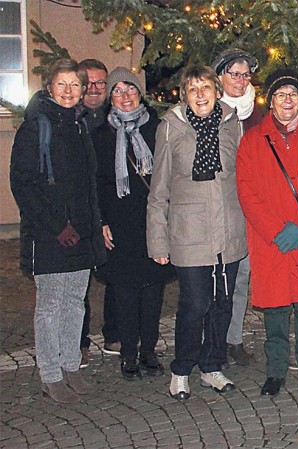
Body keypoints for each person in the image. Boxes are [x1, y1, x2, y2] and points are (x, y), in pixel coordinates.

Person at [147, 65, 247, 400]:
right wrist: (157, 239)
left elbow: (244, 181)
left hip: (228, 231)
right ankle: (181, 368)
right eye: (193, 89)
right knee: (195, 303)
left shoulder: (233, 125)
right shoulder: (170, 128)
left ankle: (211, 365)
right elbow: (158, 190)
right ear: (184, 96)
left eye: (206, 87)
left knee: (222, 302)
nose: (200, 94)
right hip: (188, 233)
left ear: (217, 91)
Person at [10, 59, 106, 403]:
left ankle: (71, 366)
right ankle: (50, 373)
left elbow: (88, 182)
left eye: (75, 85)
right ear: (50, 87)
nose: (69, 91)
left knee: (75, 302)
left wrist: (92, 225)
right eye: (62, 85)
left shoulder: (80, 126)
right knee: (50, 305)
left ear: (83, 90)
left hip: (80, 231)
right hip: (49, 235)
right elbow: (23, 184)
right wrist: (56, 226)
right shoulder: (36, 127)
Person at [236, 69, 298, 397]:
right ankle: (275, 370)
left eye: (292, 94)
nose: (287, 101)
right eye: (280, 95)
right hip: (270, 241)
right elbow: (246, 191)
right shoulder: (252, 140)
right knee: (274, 313)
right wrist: (276, 231)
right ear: (270, 101)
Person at [92, 67, 173, 380]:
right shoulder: (100, 134)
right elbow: (96, 182)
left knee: (153, 289)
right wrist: (101, 221)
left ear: (141, 94)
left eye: (130, 89)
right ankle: (128, 353)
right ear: (110, 98)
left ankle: (149, 350)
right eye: (118, 91)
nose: (125, 96)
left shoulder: (158, 128)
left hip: (152, 220)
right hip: (118, 223)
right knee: (124, 290)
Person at [212, 48, 260, 367]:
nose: (241, 80)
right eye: (234, 74)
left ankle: (234, 339)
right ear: (220, 77)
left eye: (245, 74)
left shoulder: (256, 114)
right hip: (217, 208)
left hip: (249, 209)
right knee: (216, 279)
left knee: (241, 276)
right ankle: (212, 341)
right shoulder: (207, 111)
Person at [77, 58, 120, 365]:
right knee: (77, 281)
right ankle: (78, 341)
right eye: (87, 83)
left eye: (100, 83)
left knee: (115, 274)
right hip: (77, 212)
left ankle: (114, 333)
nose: (94, 89)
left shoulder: (116, 119)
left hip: (108, 209)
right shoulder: (70, 118)